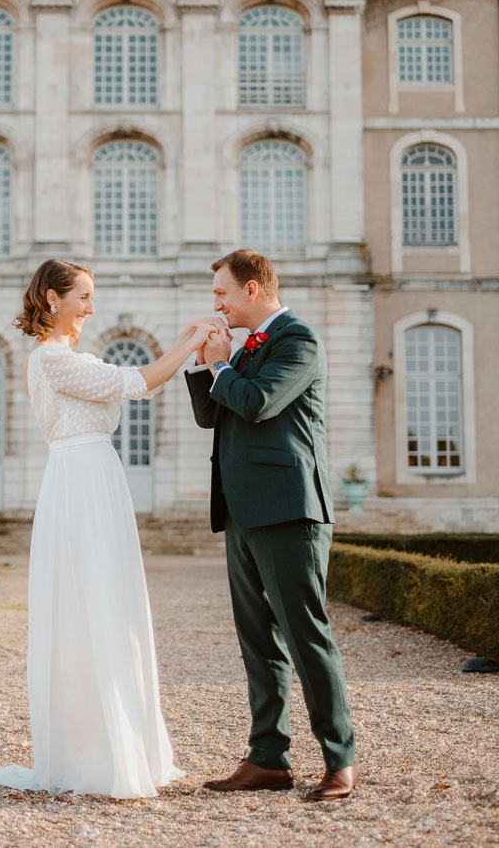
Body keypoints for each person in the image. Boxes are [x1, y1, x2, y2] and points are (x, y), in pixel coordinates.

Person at [0, 258, 225, 797]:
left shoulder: (72, 359)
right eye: (83, 298)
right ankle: (92, 754)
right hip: (79, 483)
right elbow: (139, 383)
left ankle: (122, 742)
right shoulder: (50, 360)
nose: (91, 308)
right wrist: (190, 340)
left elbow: (132, 382)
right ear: (54, 300)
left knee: (113, 604)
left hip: (98, 479)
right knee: (88, 606)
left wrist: (184, 343)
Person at [184, 249, 357, 801]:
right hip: (240, 509)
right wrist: (205, 362)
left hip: (288, 511)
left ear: (252, 290)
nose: (217, 303)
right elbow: (213, 413)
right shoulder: (244, 350)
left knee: (306, 637)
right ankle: (268, 759)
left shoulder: (299, 341)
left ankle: (339, 759)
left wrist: (220, 366)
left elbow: (256, 404)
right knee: (257, 640)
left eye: (222, 294)